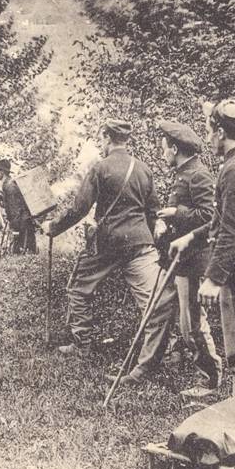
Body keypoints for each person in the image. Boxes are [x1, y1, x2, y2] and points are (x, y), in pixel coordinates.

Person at [40, 119, 176, 386]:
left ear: (106, 138)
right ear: (126, 140)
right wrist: (146, 239)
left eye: (102, 139)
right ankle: (168, 350)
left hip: (108, 244)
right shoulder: (144, 169)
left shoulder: (100, 168)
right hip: (140, 244)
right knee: (155, 300)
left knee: (79, 289)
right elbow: (153, 211)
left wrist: (53, 228)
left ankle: (83, 344)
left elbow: (79, 210)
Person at [170, 99, 235, 396]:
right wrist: (191, 238)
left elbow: (233, 231)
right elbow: (223, 220)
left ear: (219, 132)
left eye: (209, 130)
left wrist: (213, 279)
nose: (207, 138)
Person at [154, 120, 224, 392]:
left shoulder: (198, 174)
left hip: (196, 259)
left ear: (174, 148)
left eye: (164, 150)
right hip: (181, 258)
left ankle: (210, 380)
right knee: (186, 323)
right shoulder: (184, 172)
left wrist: (175, 214)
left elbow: (210, 218)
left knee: (193, 324)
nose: (163, 155)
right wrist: (166, 222)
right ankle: (200, 371)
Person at [0, 158, 38, 255]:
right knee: (23, 253)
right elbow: (10, 204)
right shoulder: (7, 184)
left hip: (22, 223)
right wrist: (0, 198)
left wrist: (15, 228)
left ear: (2, 171)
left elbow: (15, 209)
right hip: (22, 222)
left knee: (23, 254)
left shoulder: (10, 186)